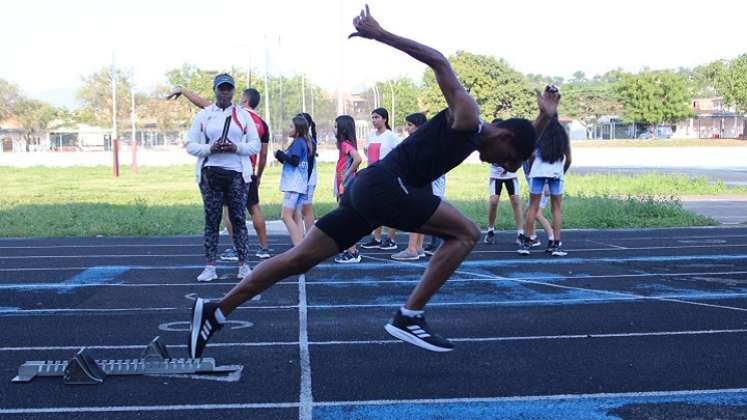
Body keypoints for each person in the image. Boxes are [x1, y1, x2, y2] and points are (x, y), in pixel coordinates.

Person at [186, 5, 557, 358]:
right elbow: (439, 61)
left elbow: (519, 141)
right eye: (506, 161)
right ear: (504, 139)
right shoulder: (468, 116)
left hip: (367, 191)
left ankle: (216, 312)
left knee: (298, 259)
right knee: (466, 233)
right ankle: (408, 316)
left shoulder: (487, 137)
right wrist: (380, 35)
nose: (502, 168)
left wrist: (544, 118)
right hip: (385, 187)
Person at [168, 87, 272, 260]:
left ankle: (234, 248)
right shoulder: (262, 123)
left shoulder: (234, 114)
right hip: (249, 171)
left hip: (232, 169)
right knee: (254, 208)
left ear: (244, 100)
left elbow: (203, 103)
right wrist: (259, 174)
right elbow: (263, 153)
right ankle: (264, 247)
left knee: (227, 212)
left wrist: (184, 91)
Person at [184, 73, 260, 282]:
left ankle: (244, 265)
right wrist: (211, 148)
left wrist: (237, 147)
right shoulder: (204, 115)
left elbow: (255, 144)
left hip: (237, 173)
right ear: (215, 90)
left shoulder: (243, 115)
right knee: (212, 220)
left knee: (238, 219)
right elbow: (190, 145)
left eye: (228, 89)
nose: (225, 92)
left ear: (234, 91)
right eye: (221, 88)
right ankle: (210, 266)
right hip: (210, 173)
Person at [519, 117, 571, 256]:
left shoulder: (538, 132)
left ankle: (527, 243)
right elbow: (569, 159)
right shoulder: (562, 134)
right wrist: (562, 172)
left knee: (532, 207)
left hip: (537, 172)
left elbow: (531, 156)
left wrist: (530, 170)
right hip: (556, 173)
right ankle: (556, 244)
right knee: (556, 209)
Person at [391, 112, 438, 261]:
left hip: (417, 183)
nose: (407, 128)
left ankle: (412, 249)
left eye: (410, 125)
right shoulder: (429, 141)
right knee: (421, 216)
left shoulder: (417, 142)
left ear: (419, 127)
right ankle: (419, 247)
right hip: (425, 182)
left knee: (413, 216)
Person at [360, 107, 401, 251]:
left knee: (390, 208)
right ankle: (376, 238)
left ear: (384, 119)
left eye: (377, 117)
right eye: (372, 117)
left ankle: (391, 239)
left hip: (387, 177)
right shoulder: (371, 135)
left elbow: (401, 152)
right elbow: (366, 151)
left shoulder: (391, 136)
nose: (374, 120)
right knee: (373, 208)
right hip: (372, 176)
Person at [275, 114, 314, 247]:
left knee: (286, 216)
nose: (288, 128)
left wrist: (282, 155)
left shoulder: (298, 143)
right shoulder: (302, 142)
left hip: (294, 185)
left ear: (298, 130)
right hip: (298, 184)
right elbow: (292, 161)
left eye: (291, 126)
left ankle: (298, 247)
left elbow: (294, 161)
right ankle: (301, 245)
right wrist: (281, 157)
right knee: (296, 216)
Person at [484, 119, 524, 246]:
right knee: (494, 201)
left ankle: (520, 233)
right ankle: (490, 230)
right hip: (496, 176)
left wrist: (510, 167)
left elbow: (518, 156)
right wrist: (503, 166)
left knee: (516, 201)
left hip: (510, 175)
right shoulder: (489, 141)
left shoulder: (511, 139)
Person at [332, 115, 364, 264]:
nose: (334, 129)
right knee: (345, 217)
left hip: (346, 185)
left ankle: (352, 252)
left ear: (343, 129)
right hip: (343, 184)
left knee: (346, 218)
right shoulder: (343, 145)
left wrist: (346, 175)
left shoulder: (345, 144)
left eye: (336, 126)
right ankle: (351, 249)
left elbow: (358, 159)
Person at [521, 160, 554, 250]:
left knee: (536, 214)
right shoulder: (523, 154)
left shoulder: (536, 151)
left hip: (542, 186)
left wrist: (547, 184)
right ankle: (533, 238)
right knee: (527, 214)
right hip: (534, 188)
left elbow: (546, 165)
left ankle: (553, 238)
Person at [298, 112, 318, 235]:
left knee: (305, 210)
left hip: (306, 181)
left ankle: (307, 239)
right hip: (304, 180)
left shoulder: (307, 141)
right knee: (301, 210)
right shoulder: (303, 140)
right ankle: (302, 238)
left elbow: (308, 165)